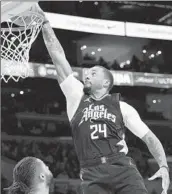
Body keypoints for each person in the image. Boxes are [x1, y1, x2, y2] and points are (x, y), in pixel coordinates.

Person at [35, 4, 170, 194]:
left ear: (106, 83)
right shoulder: (76, 95)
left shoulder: (122, 107)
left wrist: (163, 165)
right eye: (87, 73)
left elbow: (149, 137)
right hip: (92, 173)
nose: (87, 75)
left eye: (93, 73)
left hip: (123, 170)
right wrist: (45, 24)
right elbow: (58, 56)